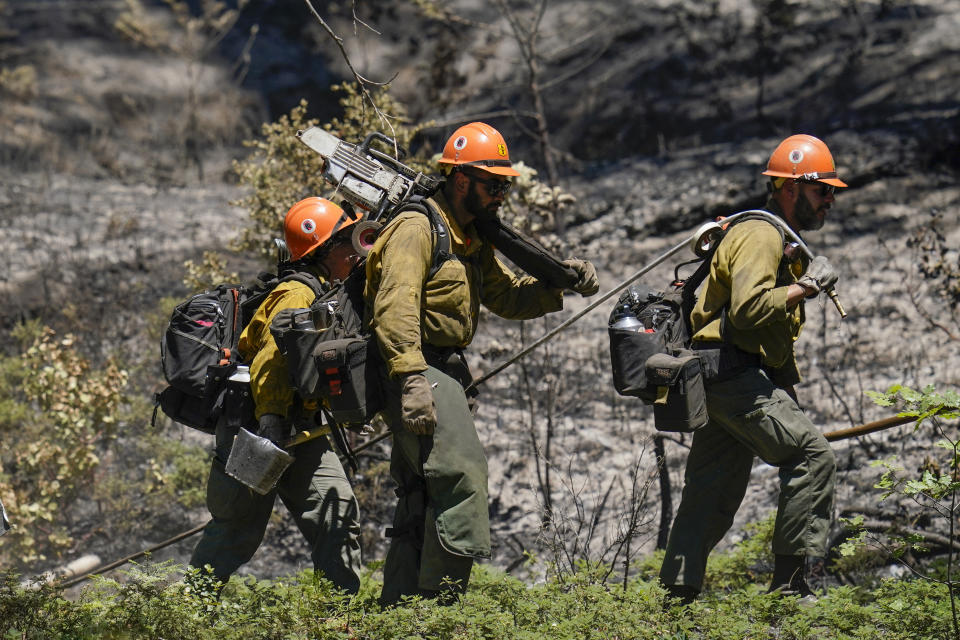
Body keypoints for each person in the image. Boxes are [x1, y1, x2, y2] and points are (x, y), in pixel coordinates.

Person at [364, 121, 599, 605]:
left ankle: (399, 614)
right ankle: (440, 611)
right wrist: (410, 379)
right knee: (464, 480)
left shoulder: (468, 237)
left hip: (439, 372)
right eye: (493, 184)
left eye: (505, 186)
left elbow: (506, 297)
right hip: (414, 370)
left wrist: (561, 283)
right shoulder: (417, 227)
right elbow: (394, 308)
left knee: (420, 496)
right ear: (459, 179)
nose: (500, 195)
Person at [659, 134, 844, 603]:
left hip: (720, 377)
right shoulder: (761, 234)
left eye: (831, 192)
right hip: (729, 375)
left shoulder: (770, 236)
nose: (830, 201)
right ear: (790, 188)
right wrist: (807, 286)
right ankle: (791, 589)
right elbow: (748, 311)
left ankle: (674, 602)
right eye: (822, 190)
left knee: (710, 493)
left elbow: (764, 336)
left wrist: (786, 393)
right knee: (811, 457)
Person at [190, 197, 363, 593]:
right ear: (323, 250)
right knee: (237, 530)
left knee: (336, 514)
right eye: (345, 243)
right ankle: (183, 616)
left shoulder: (322, 293)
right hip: (258, 428)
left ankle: (337, 620)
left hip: (301, 428)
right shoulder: (295, 295)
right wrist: (271, 424)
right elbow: (270, 361)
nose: (354, 252)